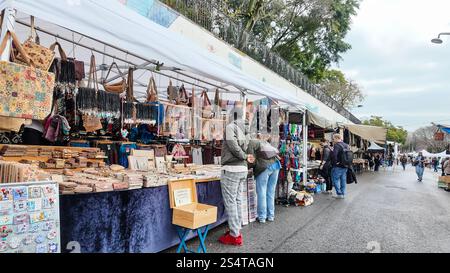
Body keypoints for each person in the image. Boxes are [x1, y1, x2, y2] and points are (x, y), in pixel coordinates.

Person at [218, 108, 254, 246]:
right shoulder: (246, 129)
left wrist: (244, 156)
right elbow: (246, 147)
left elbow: (233, 146)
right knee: (237, 200)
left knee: (231, 202)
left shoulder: (230, 127)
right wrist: (245, 157)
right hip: (242, 168)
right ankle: (236, 229)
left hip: (232, 168)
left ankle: (235, 235)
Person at [247, 134, 281, 223]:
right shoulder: (266, 143)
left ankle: (262, 217)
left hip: (264, 167)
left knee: (261, 192)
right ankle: (271, 216)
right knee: (270, 192)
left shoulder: (251, 142)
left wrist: (250, 167)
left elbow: (251, 159)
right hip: (276, 165)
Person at [331, 134, 351, 199]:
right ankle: (342, 193)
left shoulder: (337, 145)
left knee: (335, 179)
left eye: (333, 139)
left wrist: (335, 163)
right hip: (345, 165)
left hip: (338, 166)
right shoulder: (346, 145)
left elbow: (334, 155)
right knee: (343, 180)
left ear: (336, 138)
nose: (333, 140)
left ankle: (339, 194)